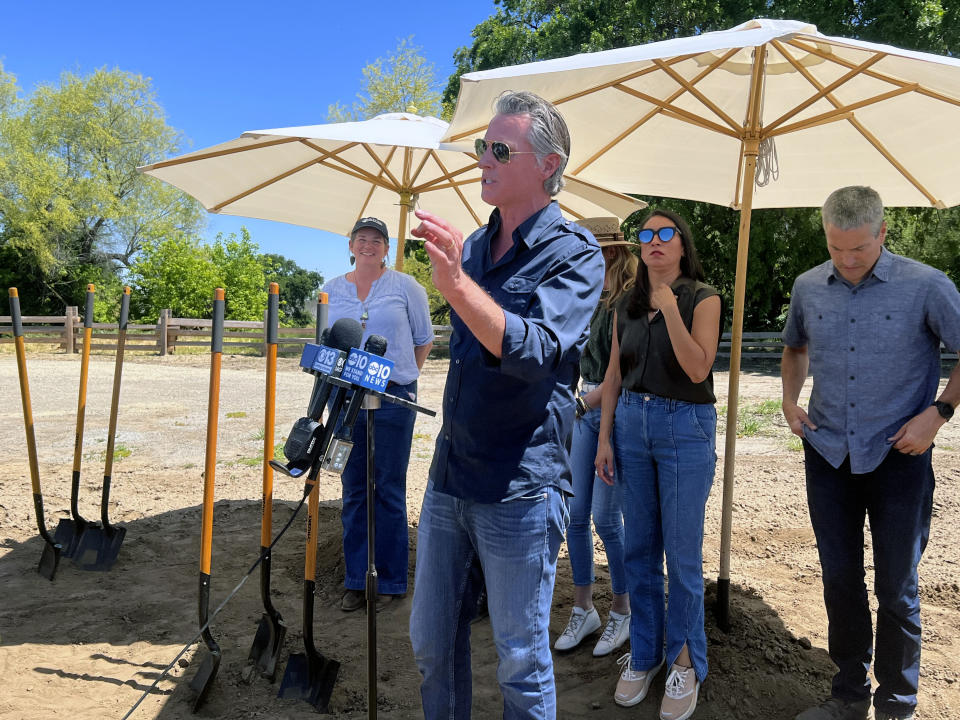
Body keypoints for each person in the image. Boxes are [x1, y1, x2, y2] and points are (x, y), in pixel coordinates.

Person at [407, 90, 604, 719]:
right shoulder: (469, 249)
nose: (482, 161)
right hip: (449, 477)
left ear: (548, 164)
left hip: (521, 487)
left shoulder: (576, 253)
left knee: (520, 658)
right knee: (432, 646)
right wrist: (459, 277)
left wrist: (458, 288)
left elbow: (535, 351)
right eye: (479, 148)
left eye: (498, 149)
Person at [781, 186, 960, 720]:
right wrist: (790, 400)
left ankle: (897, 705)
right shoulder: (808, 286)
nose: (847, 259)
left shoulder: (928, 286)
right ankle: (849, 695)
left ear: (883, 233)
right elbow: (794, 347)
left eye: (858, 248)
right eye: (837, 248)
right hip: (828, 452)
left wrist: (940, 412)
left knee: (896, 584)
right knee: (839, 578)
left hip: (899, 456)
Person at [595, 209, 722, 720]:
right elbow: (612, 375)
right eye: (646, 235)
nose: (654, 242)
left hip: (685, 427)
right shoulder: (623, 306)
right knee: (640, 548)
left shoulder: (703, 297)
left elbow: (698, 368)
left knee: (682, 552)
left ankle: (686, 661)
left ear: (682, 245)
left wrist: (670, 309)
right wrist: (604, 437)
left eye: (665, 234)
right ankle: (645, 653)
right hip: (630, 423)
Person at [322, 216, 434, 612]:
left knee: (387, 489)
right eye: (362, 238)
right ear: (351, 245)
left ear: (387, 248)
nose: (368, 244)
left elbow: (424, 339)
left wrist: (404, 376)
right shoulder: (330, 290)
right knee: (353, 487)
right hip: (344, 398)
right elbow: (327, 343)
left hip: (393, 398)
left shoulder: (406, 287)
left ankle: (389, 580)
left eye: (377, 240)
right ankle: (356, 579)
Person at [554, 216, 637, 657]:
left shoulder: (627, 303)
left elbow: (618, 375)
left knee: (607, 518)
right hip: (584, 409)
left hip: (613, 413)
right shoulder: (588, 297)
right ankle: (584, 608)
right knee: (576, 515)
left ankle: (622, 610)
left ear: (608, 252)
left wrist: (581, 405)